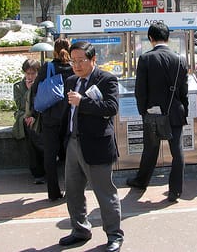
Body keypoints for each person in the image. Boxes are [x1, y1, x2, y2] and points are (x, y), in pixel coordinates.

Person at [59, 41, 124, 252]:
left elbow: (111, 108)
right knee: (73, 191)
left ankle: (114, 235)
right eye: (73, 61)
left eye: (81, 61)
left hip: (96, 145)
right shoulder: (70, 80)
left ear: (93, 60)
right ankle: (80, 230)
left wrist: (82, 102)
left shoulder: (106, 79)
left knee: (105, 193)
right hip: (73, 143)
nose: (76, 65)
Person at [126, 22, 189, 202]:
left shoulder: (146, 59)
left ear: (150, 38)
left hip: (152, 113)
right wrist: (183, 110)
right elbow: (183, 90)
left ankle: (141, 181)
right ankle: (175, 191)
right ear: (168, 38)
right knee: (177, 152)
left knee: (150, 150)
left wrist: (143, 112)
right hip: (175, 111)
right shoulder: (180, 60)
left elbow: (140, 91)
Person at [30, 37, 73, 201]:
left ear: (54, 50)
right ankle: (72, 190)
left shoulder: (48, 67)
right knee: (71, 154)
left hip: (50, 117)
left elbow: (35, 89)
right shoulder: (73, 68)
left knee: (50, 155)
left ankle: (53, 192)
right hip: (69, 116)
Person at [13, 59, 45, 184]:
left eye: (33, 73)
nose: (30, 76)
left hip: (40, 114)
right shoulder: (18, 86)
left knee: (34, 132)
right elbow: (20, 105)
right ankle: (38, 171)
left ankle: (40, 170)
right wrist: (28, 91)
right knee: (31, 129)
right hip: (24, 116)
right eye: (28, 73)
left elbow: (42, 103)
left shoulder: (42, 84)